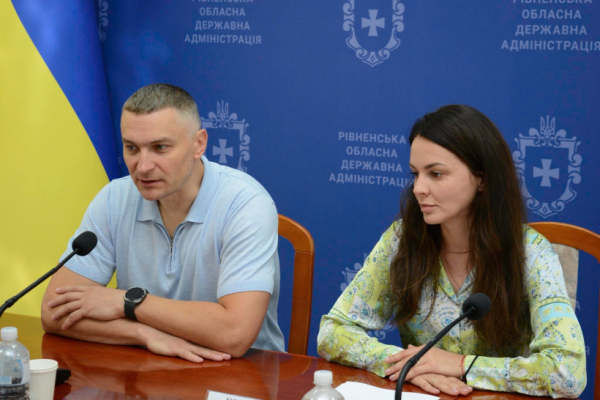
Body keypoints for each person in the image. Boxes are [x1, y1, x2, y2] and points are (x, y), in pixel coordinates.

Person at [317, 105, 586, 398]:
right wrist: (412, 366)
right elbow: (332, 332)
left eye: (436, 173)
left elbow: (567, 373)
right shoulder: (402, 239)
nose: (419, 188)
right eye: (415, 174)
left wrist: (461, 365)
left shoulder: (530, 253)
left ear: (482, 178)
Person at [41, 83, 285, 362]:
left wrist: (127, 302)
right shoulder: (114, 198)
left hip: (239, 371)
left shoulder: (245, 204)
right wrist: (143, 334)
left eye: (160, 147)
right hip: (147, 365)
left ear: (198, 144)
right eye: (131, 148)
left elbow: (234, 335)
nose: (143, 167)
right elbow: (53, 312)